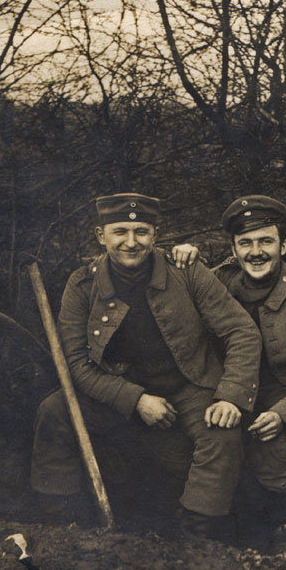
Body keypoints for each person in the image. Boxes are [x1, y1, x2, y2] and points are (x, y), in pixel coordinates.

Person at [30, 193, 262, 538]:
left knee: (222, 432)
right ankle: (61, 527)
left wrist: (230, 396)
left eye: (141, 231)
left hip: (187, 385)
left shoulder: (186, 271)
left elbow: (242, 331)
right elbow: (75, 365)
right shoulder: (82, 285)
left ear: (155, 235)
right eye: (120, 231)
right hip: (115, 392)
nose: (130, 242)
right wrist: (135, 399)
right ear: (101, 236)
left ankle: (196, 532)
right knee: (55, 410)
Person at [170, 195, 286, 533]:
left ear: (284, 245)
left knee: (274, 455)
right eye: (245, 243)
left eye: (266, 241)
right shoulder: (217, 282)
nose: (256, 252)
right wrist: (186, 258)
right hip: (229, 393)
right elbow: (172, 297)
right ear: (233, 250)